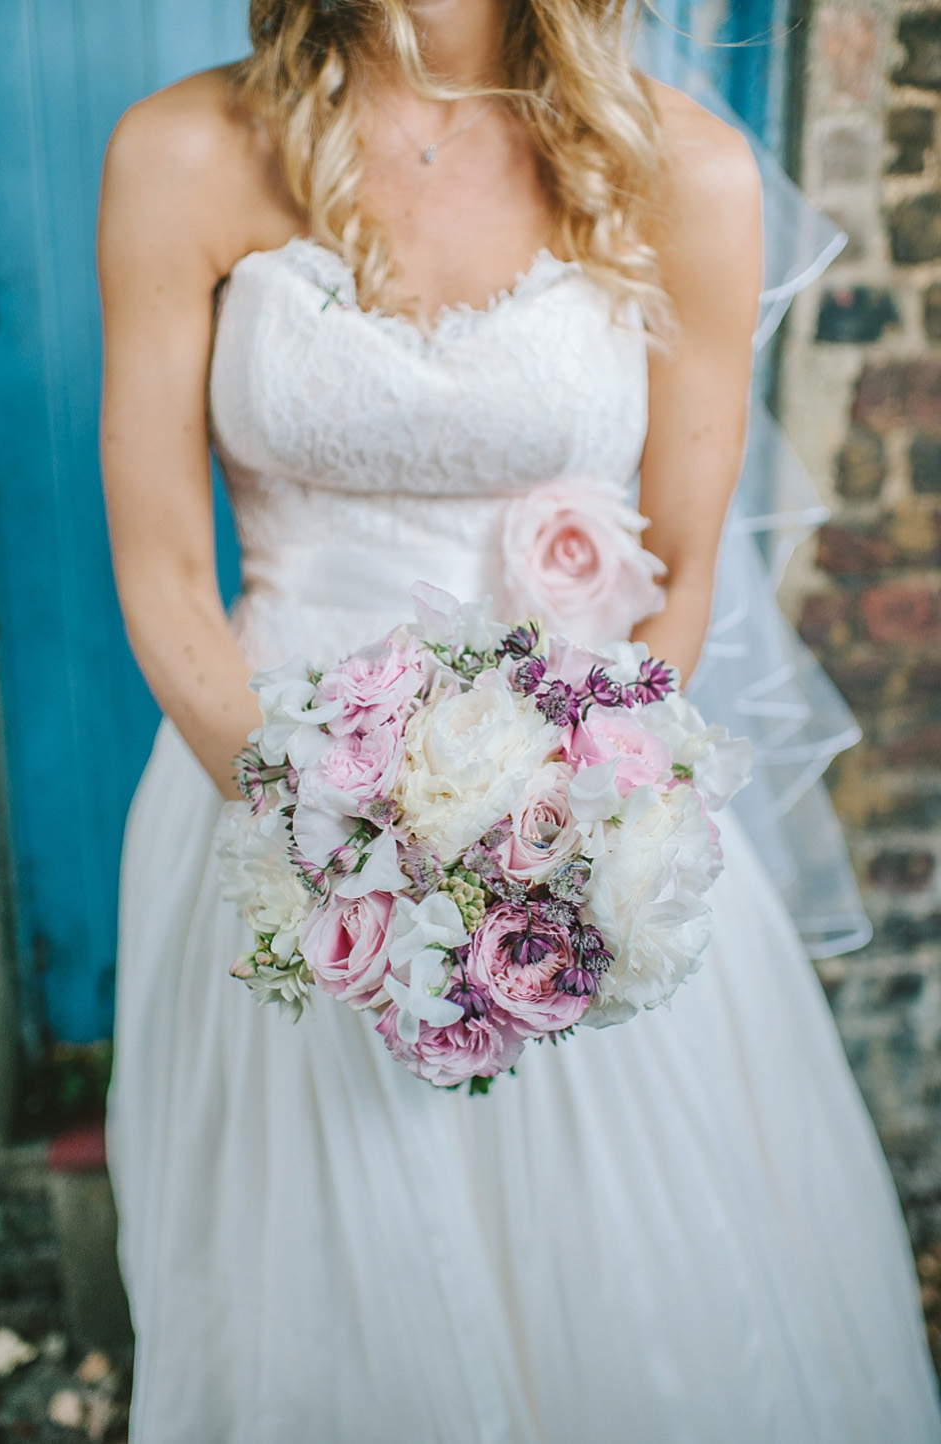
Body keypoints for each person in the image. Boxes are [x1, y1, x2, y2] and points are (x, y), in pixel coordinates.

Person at [98, 2, 941, 1440]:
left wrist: (557, 846)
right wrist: (331, 837)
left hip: (575, 826)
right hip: (264, 807)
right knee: (315, 1290)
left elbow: (672, 587)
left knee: (647, 1299)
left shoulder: (688, 174)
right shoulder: (181, 151)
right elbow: (168, 569)